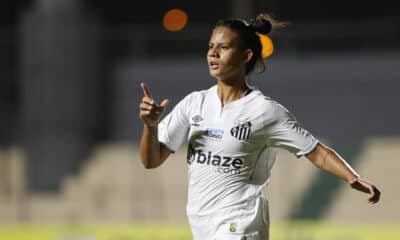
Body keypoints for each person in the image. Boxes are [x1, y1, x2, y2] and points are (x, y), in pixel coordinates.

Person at [139, 13, 381, 240]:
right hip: (202, 224)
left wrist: (352, 177)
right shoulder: (195, 103)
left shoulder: (264, 111)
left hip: (241, 223)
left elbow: (315, 151)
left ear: (245, 56)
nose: (213, 54)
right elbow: (151, 161)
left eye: (223, 48)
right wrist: (150, 127)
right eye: (211, 47)